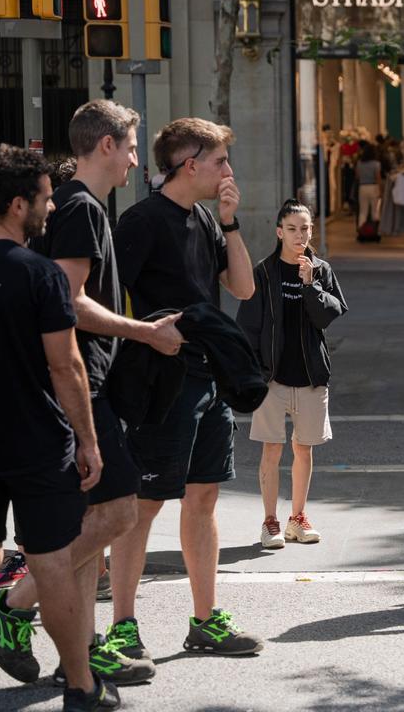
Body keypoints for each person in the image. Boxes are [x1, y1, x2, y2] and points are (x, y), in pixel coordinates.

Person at [0, 100, 186, 688]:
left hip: (82, 382)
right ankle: (16, 603)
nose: (135, 158)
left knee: (94, 515)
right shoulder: (80, 209)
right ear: (105, 145)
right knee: (120, 509)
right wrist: (144, 332)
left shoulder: (82, 206)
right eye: (130, 146)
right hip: (77, 384)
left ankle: (79, 650)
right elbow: (69, 301)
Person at [0, 144, 116, 710]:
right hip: (35, 445)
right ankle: (82, 689)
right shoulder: (39, 275)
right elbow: (66, 366)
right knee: (52, 563)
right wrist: (88, 441)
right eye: (43, 199)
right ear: (17, 204)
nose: (51, 209)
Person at [109, 117, 263, 664]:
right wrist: (145, 336)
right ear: (190, 163)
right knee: (143, 505)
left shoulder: (204, 216)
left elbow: (241, 288)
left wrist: (231, 223)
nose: (228, 170)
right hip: (160, 383)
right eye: (220, 161)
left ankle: (205, 621)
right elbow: (95, 300)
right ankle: (122, 626)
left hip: (209, 378)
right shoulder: (141, 221)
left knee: (203, 496)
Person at [237, 199, 347, 549]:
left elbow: (330, 315)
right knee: (272, 449)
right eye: (293, 229)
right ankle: (270, 522)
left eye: (306, 229)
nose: (300, 235)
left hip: (311, 374)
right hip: (272, 377)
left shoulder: (320, 269)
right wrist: (253, 372)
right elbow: (248, 325)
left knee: (304, 449)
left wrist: (310, 285)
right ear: (279, 231)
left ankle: (297, 519)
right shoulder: (265, 272)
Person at [355, 144, 383, 228]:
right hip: (373, 187)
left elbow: (357, 176)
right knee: (375, 210)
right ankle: (375, 230)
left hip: (362, 187)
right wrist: (380, 189)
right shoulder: (376, 164)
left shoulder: (360, 163)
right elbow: (378, 177)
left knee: (363, 211)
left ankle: (361, 229)